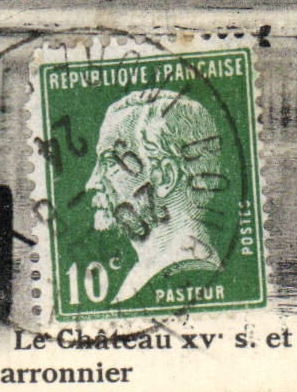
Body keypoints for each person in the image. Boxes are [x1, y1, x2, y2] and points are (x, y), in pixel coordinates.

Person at [83, 88, 224, 303]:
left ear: (165, 177)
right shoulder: (146, 274)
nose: (91, 184)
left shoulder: (187, 274)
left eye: (110, 163)